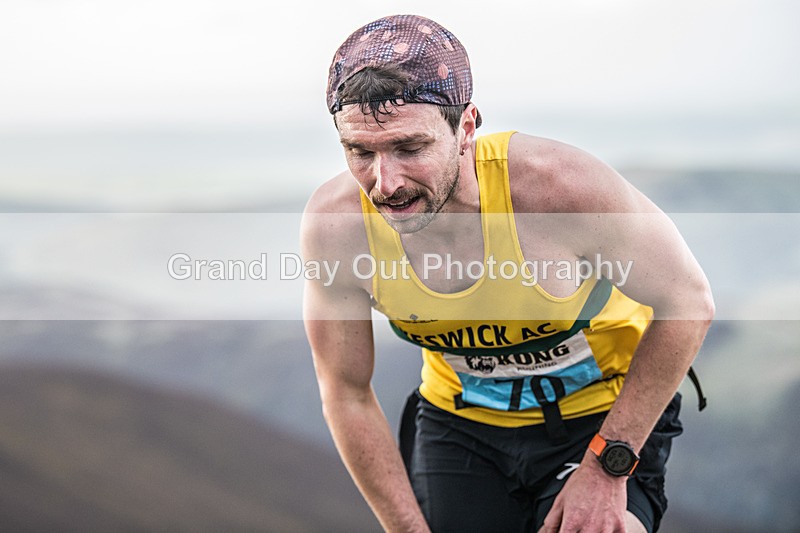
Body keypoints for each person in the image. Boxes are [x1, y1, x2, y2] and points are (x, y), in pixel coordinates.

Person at [302, 14, 713, 533]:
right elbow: (345, 391)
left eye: (410, 148)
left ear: (467, 127)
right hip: (461, 428)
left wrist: (608, 469)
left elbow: (689, 301)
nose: (385, 183)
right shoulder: (337, 227)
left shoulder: (561, 192)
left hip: (599, 416)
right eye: (360, 152)